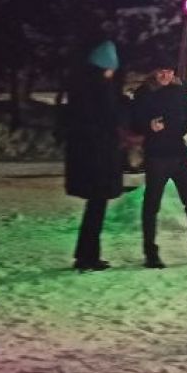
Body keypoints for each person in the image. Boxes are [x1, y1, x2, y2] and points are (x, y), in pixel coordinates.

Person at [129, 60, 187, 269]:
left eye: (169, 71)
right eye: (161, 71)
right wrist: (148, 125)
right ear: (154, 72)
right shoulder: (144, 93)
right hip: (157, 156)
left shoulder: (180, 91)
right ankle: (150, 253)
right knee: (152, 205)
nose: (165, 75)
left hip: (179, 155)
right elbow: (134, 122)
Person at [65, 41, 125, 272]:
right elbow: (107, 121)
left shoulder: (86, 87)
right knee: (96, 208)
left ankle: (86, 254)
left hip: (91, 157)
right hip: (99, 159)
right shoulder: (101, 89)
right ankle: (88, 256)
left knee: (95, 207)